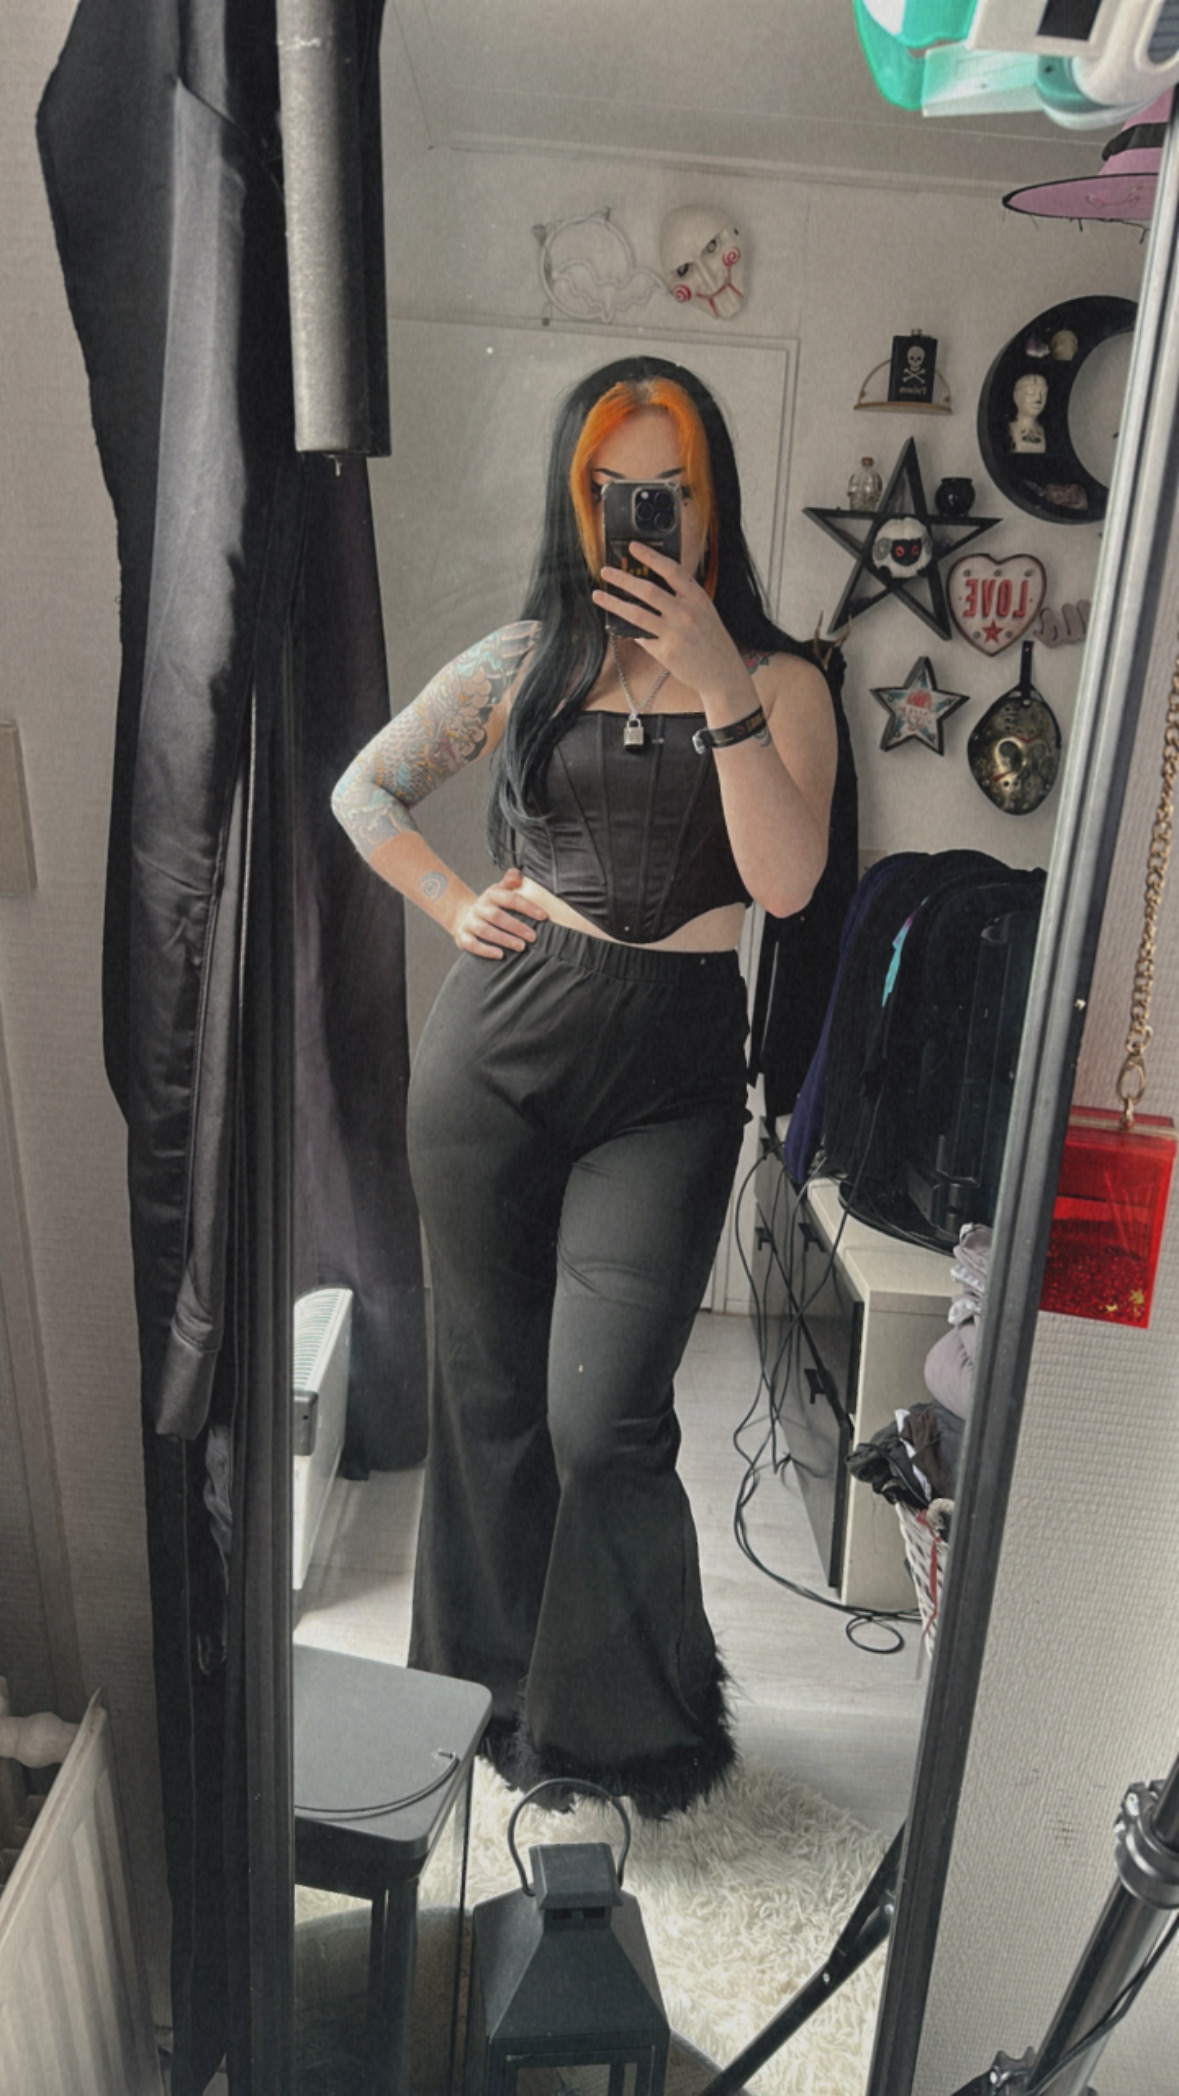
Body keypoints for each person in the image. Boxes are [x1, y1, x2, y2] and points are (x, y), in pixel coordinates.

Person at [331, 356, 839, 1817]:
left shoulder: (785, 683)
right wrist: (452, 905)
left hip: (670, 1073)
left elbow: (786, 886)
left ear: (710, 501)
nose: (645, 517)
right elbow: (364, 788)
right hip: (497, 1049)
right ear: (579, 501)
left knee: (602, 1419)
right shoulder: (522, 662)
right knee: (486, 1396)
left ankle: (625, 1731)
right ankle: (484, 1708)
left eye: (672, 491)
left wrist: (722, 686)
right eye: (617, 492)